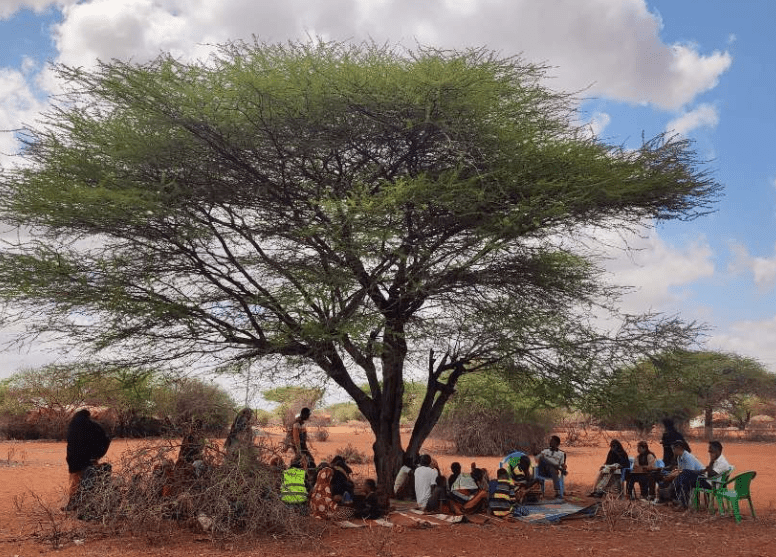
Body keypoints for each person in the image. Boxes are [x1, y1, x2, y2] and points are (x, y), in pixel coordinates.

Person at [65, 408, 111, 507]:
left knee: (75, 481)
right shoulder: (94, 426)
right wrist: (98, 454)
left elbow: (70, 444)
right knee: (90, 480)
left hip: (74, 459)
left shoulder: (72, 426)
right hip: (89, 458)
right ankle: (88, 504)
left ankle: (72, 504)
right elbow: (106, 439)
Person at [672, 440, 733, 510]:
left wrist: (711, 462)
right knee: (685, 474)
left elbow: (710, 474)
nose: (709, 452)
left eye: (711, 450)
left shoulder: (722, 462)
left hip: (712, 484)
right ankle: (682, 501)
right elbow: (708, 471)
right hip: (708, 479)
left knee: (685, 477)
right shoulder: (718, 460)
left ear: (718, 450)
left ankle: (683, 503)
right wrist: (704, 470)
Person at [658, 440, 704, 505]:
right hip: (690, 476)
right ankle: (671, 498)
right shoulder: (679, 457)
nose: (672, 451)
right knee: (671, 478)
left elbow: (688, 473)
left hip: (700, 478)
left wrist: (673, 476)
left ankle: (679, 501)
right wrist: (670, 475)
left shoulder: (688, 457)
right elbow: (680, 470)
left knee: (680, 479)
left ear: (678, 448)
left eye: (673, 449)